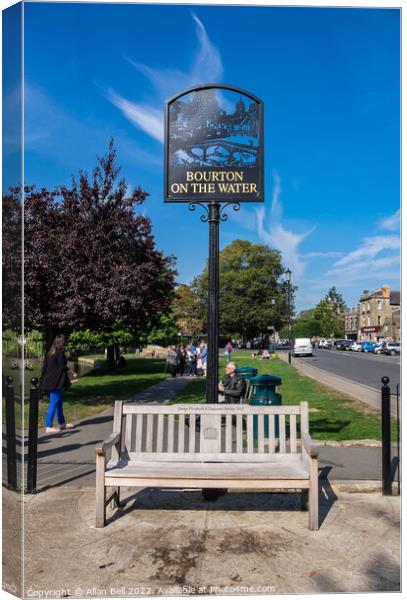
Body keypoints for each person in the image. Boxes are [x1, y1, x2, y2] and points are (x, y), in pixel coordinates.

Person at [41, 334, 77, 433]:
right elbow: (63, 366)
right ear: (62, 342)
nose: (65, 343)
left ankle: (62, 423)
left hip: (51, 381)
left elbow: (46, 368)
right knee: (54, 403)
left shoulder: (50, 353)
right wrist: (72, 373)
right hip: (55, 382)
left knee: (59, 403)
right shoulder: (60, 352)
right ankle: (48, 426)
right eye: (64, 341)